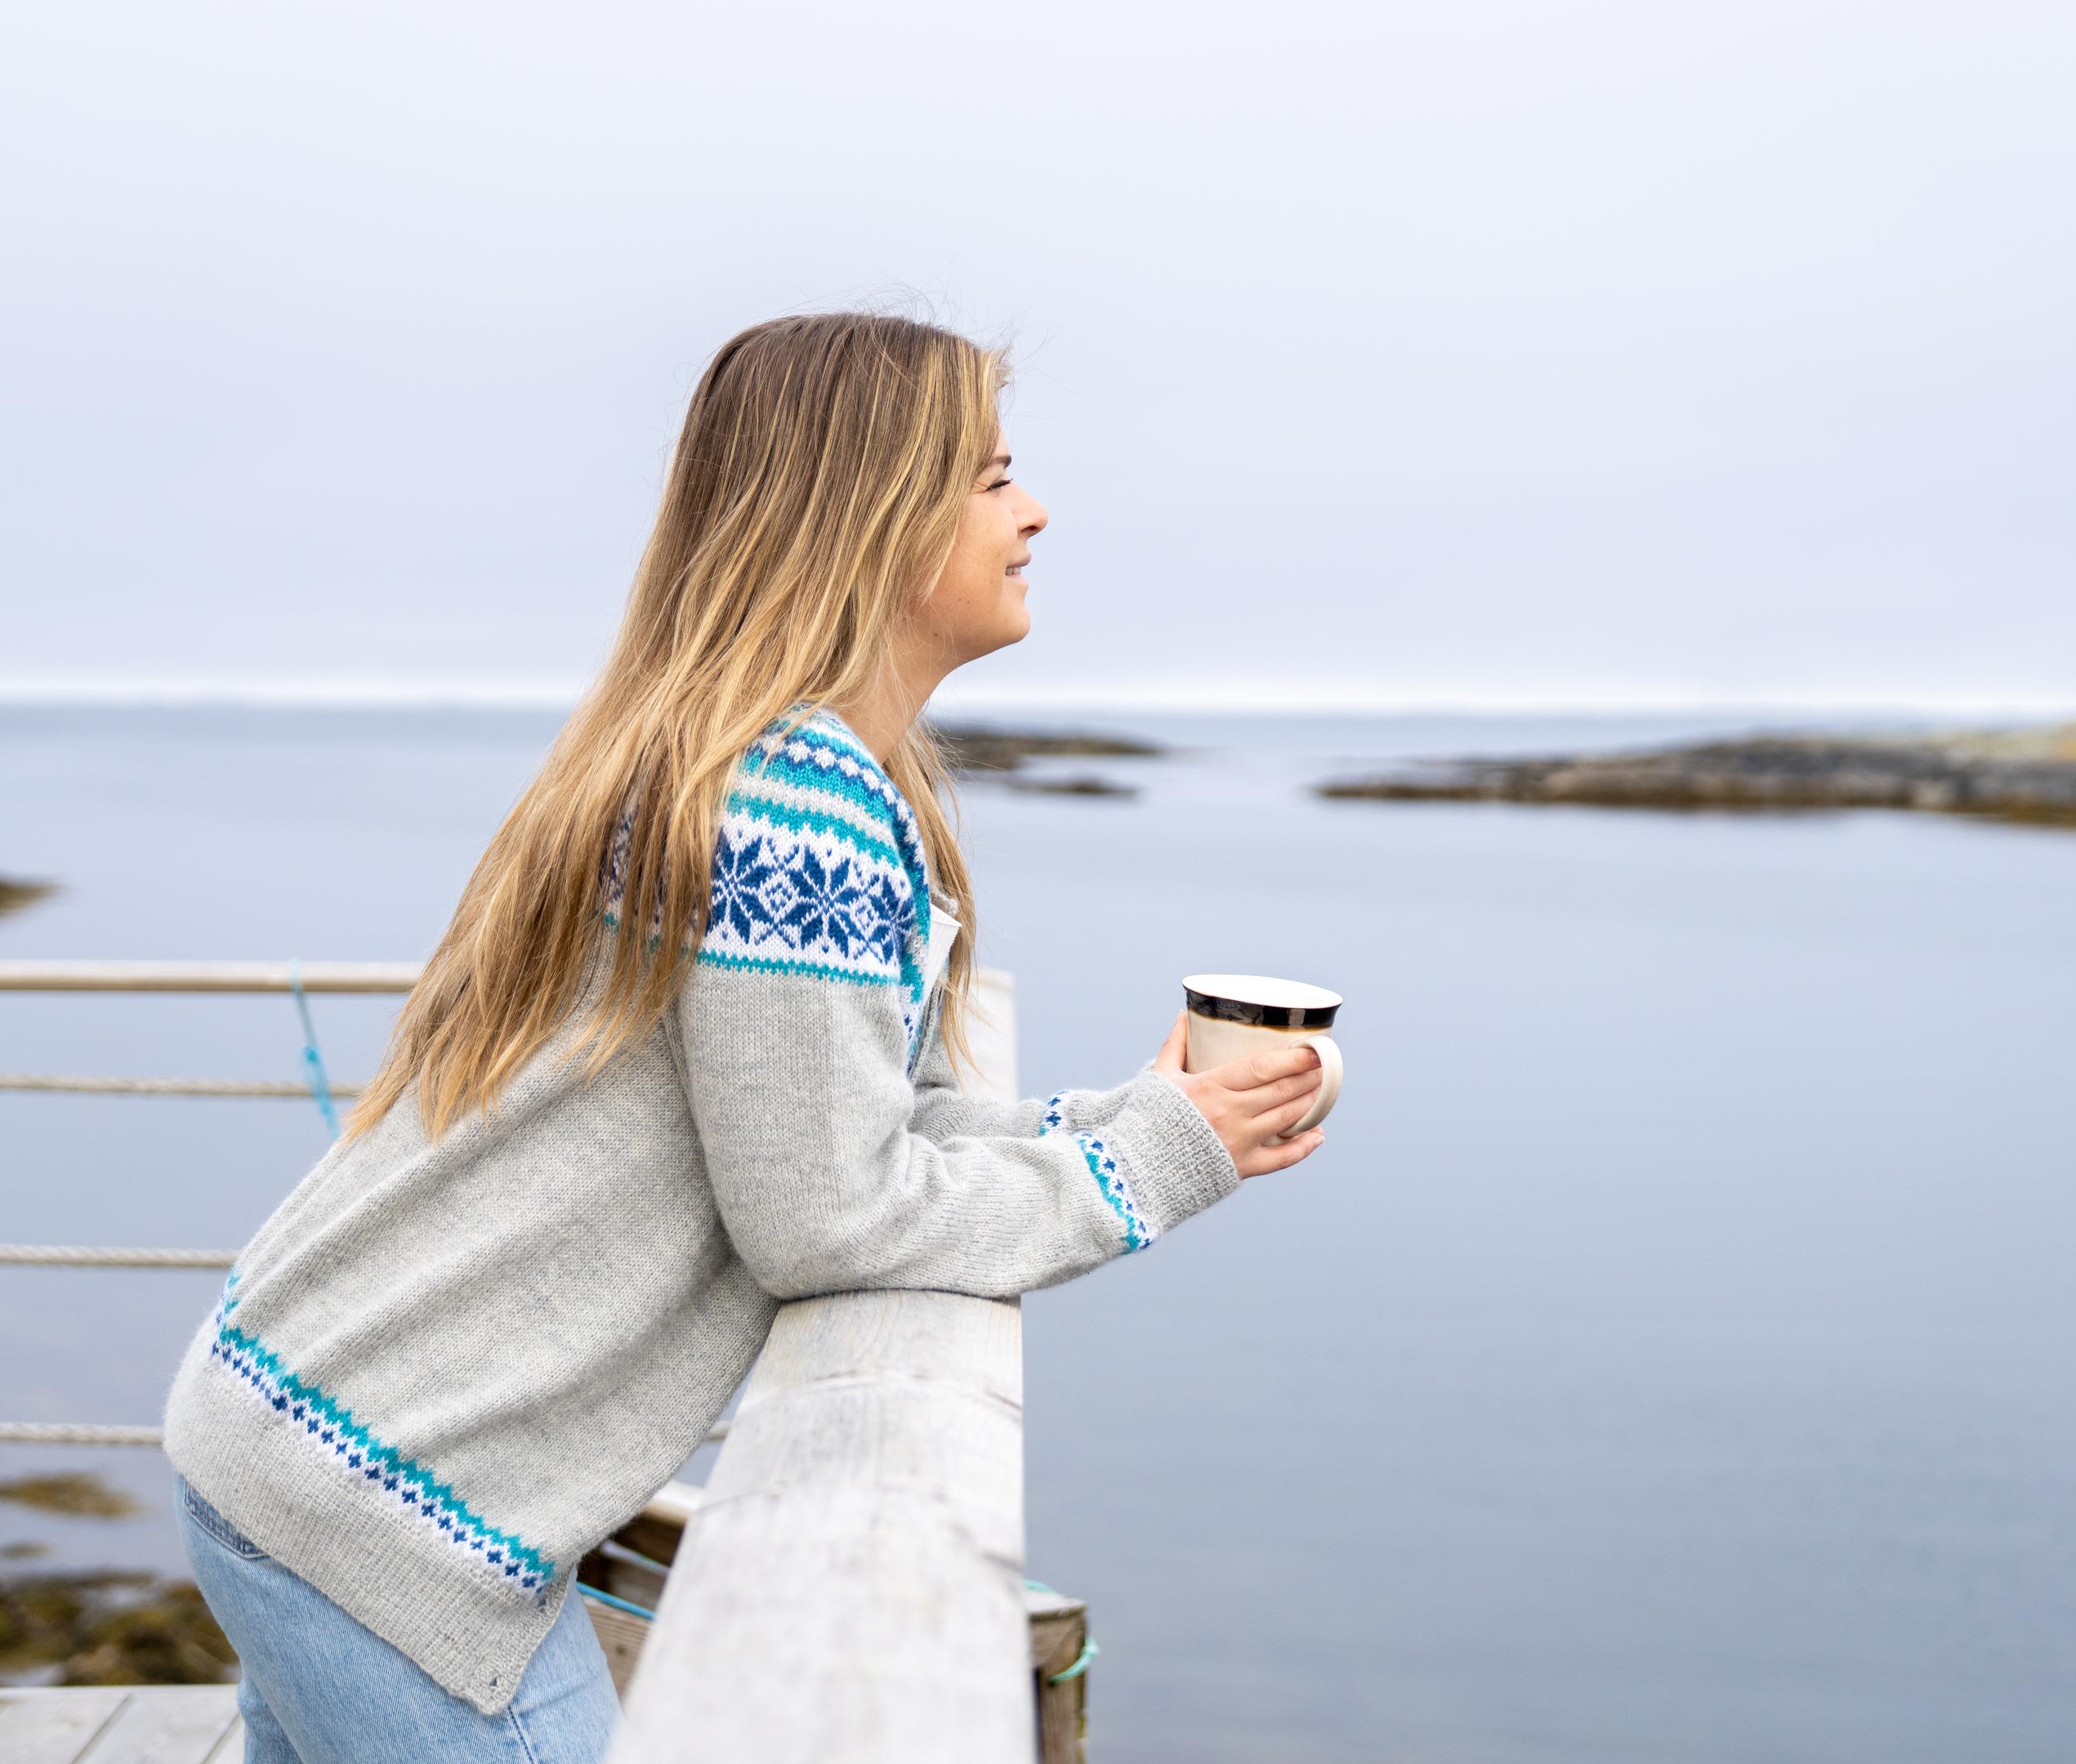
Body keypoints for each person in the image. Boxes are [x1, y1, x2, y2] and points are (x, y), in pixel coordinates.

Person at [159, 312, 1329, 1761]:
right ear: (869, 515)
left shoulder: (761, 758)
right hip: (390, 1501)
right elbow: (829, 1218)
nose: (1034, 511)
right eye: (990, 478)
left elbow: (843, 1120)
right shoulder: (798, 799)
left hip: (307, 1423)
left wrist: (1110, 1124)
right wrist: (1149, 1170)